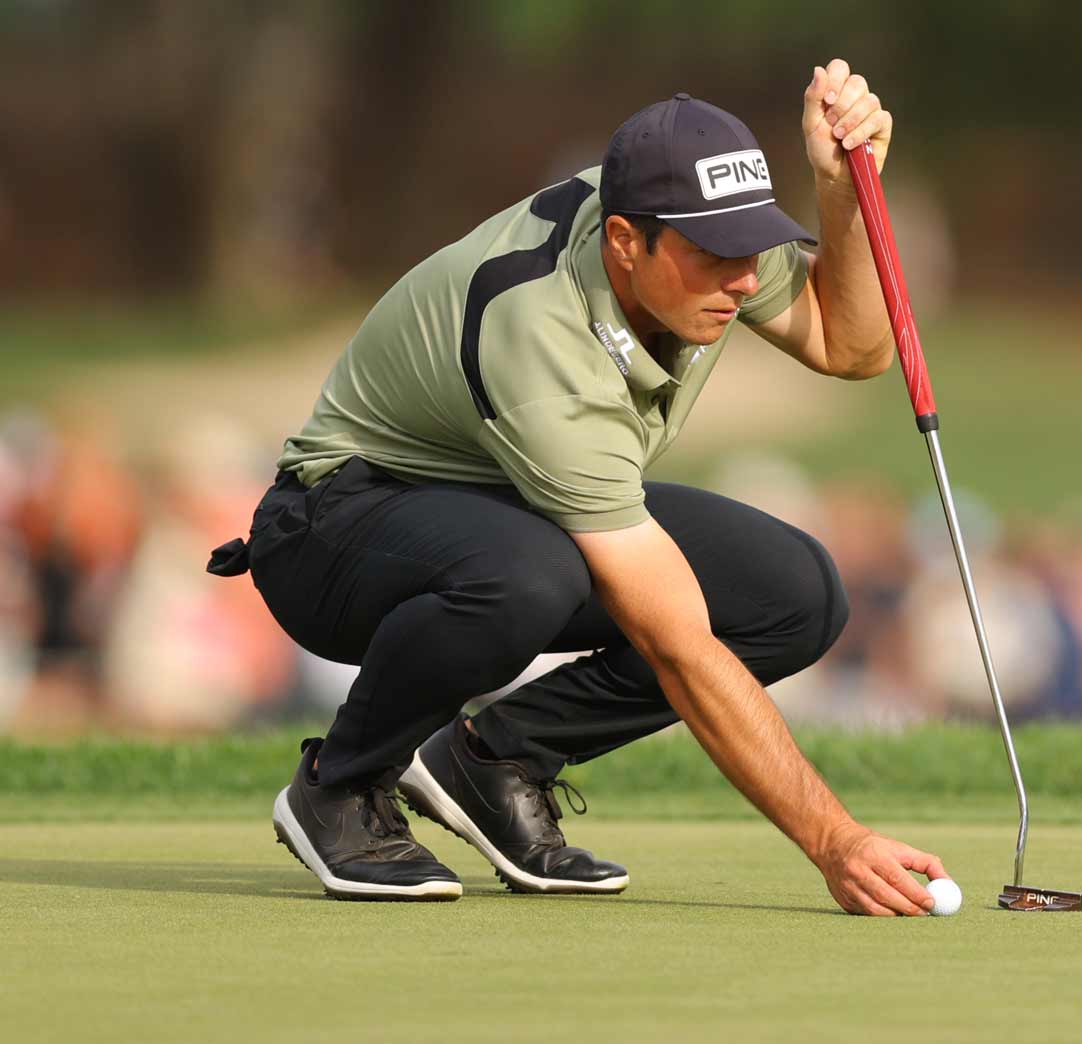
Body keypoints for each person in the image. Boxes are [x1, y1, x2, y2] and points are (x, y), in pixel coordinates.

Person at [205, 61, 950, 915]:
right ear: (627, 242)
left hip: (498, 504)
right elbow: (676, 645)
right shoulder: (541, 338)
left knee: (796, 593)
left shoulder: (699, 226)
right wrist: (833, 839)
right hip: (335, 531)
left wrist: (841, 194)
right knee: (530, 577)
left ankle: (491, 761)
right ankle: (338, 785)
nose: (745, 281)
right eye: (717, 259)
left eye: (751, 250)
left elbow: (850, 349)